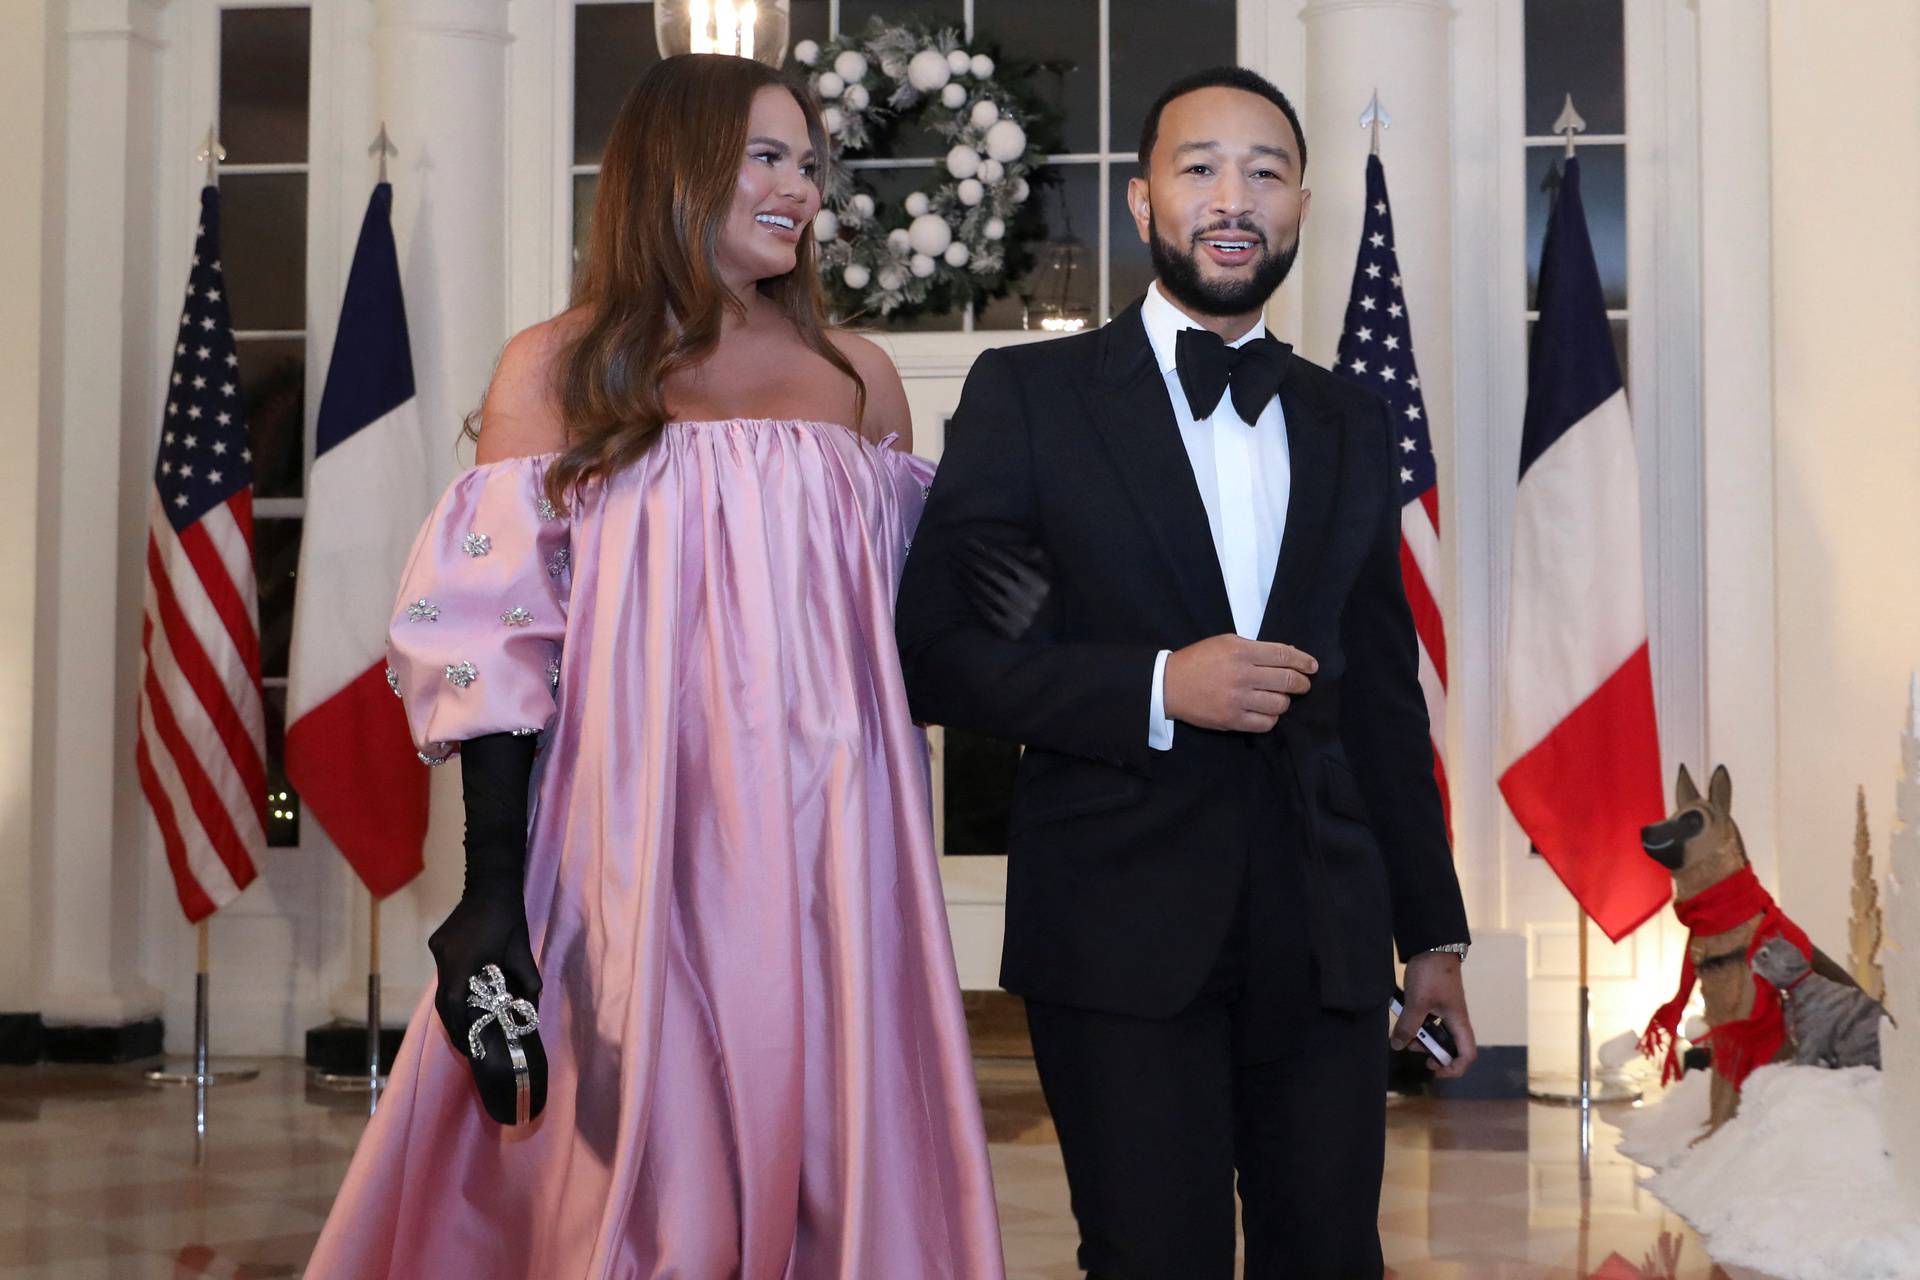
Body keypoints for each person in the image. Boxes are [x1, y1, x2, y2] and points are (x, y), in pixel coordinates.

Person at [307, 54, 1005, 1279]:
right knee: (631, 1173)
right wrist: (487, 888)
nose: (800, 188)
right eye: (768, 158)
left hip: (838, 853)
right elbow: (493, 633)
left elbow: (915, 629)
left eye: (809, 164)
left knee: (834, 1155)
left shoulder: (858, 380)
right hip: (632, 845)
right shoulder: (559, 368)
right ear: (672, 171)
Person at [895, 66, 1477, 1280]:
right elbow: (945, 652)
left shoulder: (1346, 421)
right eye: (1200, 167)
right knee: (1153, 1258)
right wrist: (1160, 685)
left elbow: (1378, 689)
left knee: (1331, 1257)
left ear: (1302, 206)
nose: (1232, 198)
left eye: (1264, 172)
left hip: (1324, 936)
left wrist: (1433, 934)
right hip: (1115, 928)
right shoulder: (1030, 399)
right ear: (1141, 197)